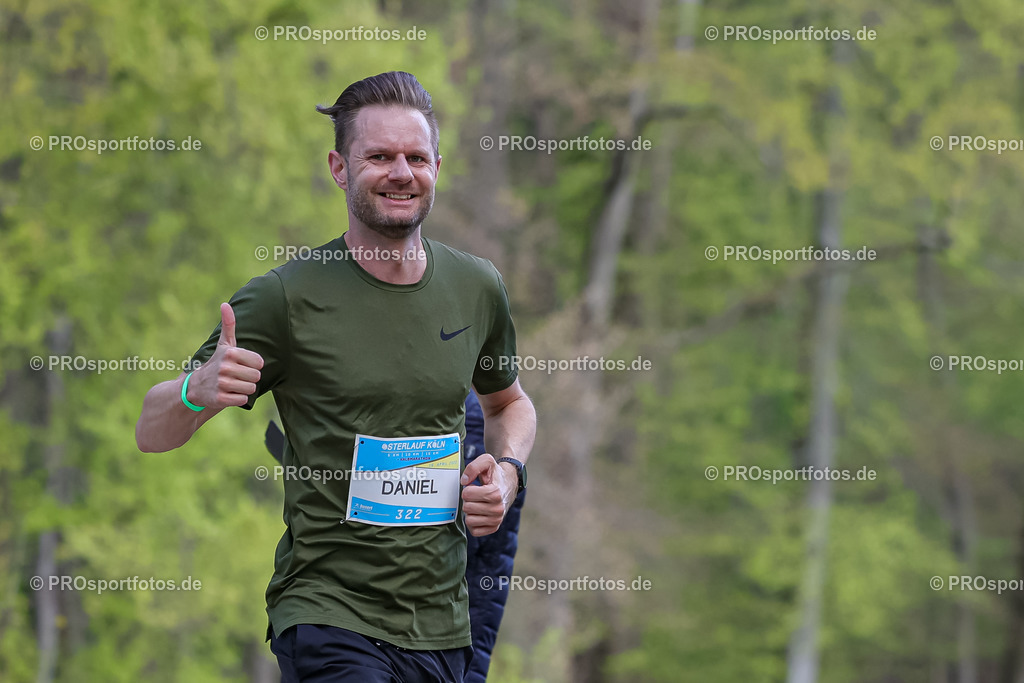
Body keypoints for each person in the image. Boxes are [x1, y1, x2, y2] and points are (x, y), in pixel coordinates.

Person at [135, 71, 537, 683]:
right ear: (339, 167)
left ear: (437, 166)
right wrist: (198, 389)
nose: (401, 172)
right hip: (328, 614)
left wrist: (505, 475)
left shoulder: (476, 287)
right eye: (379, 157)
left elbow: (510, 406)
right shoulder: (285, 298)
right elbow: (151, 430)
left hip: (441, 624)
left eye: (416, 157)